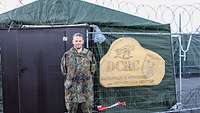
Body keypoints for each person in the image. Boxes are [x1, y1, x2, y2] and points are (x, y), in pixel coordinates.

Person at [61, 33, 96, 113]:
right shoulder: (67, 55)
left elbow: (93, 70)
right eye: (76, 41)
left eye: (80, 41)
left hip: (86, 87)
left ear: (83, 42)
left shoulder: (89, 54)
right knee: (71, 109)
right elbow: (64, 71)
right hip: (72, 88)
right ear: (73, 42)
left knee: (88, 109)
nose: (78, 42)